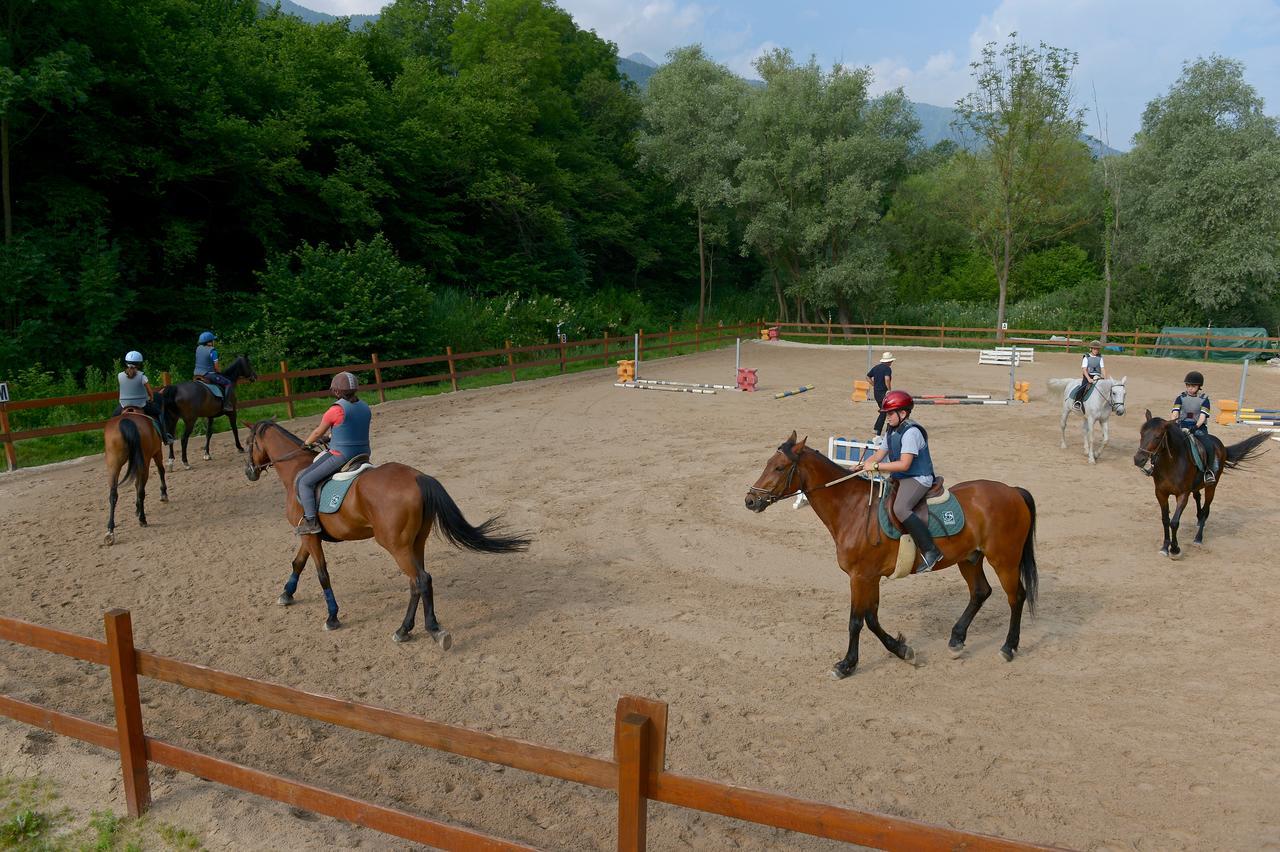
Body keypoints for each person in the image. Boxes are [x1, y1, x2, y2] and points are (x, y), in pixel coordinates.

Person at [852, 390, 944, 572]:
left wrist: (877, 468)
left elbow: (904, 464)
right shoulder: (892, 430)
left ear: (903, 413)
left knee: (900, 508)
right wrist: (863, 465)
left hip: (918, 478)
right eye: (886, 414)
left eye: (890, 413)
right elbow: (879, 454)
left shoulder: (911, 433)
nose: (887, 417)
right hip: (902, 477)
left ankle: (931, 550)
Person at [294, 372, 372, 535]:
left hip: (341, 455)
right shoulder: (365, 407)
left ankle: (311, 521)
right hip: (363, 453)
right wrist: (331, 437)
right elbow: (351, 429)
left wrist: (306, 443)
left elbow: (316, 433)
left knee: (304, 482)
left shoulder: (335, 410)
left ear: (336, 391)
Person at [113, 351, 172, 444]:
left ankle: (111, 440)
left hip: (124, 405)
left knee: (113, 419)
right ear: (139, 364)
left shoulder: (119, 375)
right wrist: (151, 398)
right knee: (159, 413)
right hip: (141, 404)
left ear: (126, 363)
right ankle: (165, 437)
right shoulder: (142, 376)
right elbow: (149, 391)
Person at [1172, 370, 1215, 483]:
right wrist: (1173, 423)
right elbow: (1175, 412)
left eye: (1193, 386)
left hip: (1198, 427)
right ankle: (1154, 465)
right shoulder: (1180, 398)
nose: (1190, 388)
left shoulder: (1204, 400)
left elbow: (1202, 416)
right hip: (1181, 425)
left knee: (1208, 446)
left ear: (1199, 387)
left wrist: (1196, 427)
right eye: (1188, 386)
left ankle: (1208, 471)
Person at [194, 330, 234, 414]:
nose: (213, 342)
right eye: (213, 340)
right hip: (208, 375)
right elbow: (216, 367)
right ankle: (226, 405)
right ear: (209, 342)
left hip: (196, 374)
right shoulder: (213, 351)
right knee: (228, 383)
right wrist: (219, 371)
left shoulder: (198, 348)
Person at [1072, 340, 1108, 411]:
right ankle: (1077, 401)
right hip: (1088, 376)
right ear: (1091, 349)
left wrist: (1105, 377)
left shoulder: (1100, 357)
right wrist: (1088, 379)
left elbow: (1102, 368)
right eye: (1094, 349)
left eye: (1097, 349)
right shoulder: (1086, 357)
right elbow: (1084, 369)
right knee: (1083, 386)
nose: (1096, 350)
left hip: (1097, 376)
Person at [867, 352, 895, 436]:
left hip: (876, 393)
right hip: (883, 393)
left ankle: (887, 429)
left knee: (886, 411)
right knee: (885, 411)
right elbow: (887, 379)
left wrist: (873, 384)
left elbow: (867, 377)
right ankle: (877, 429)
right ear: (889, 361)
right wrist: (889, 390)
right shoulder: (887, 369)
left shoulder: (876, 367)